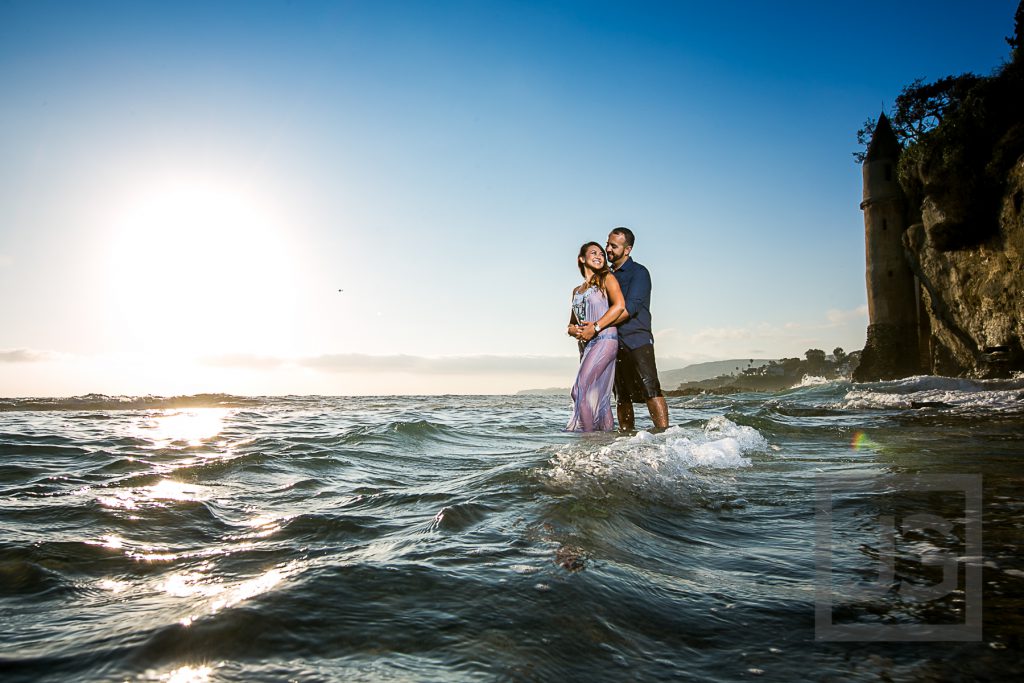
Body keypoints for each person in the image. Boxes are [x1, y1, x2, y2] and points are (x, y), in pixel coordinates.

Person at [578, 227, 669, 432]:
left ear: (627, 249)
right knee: (621, 396)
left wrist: (597, 326)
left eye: (613, 246)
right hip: (612, 342)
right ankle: (625, 439)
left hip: (637, 339)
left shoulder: (640, 272)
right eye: (607, 244)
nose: (607, 249)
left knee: (650, 388)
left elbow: (630, 308)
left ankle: (665, 435)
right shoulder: (605, 276)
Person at [565, 242, 625, 431]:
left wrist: (596, 327)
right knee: (599, 395)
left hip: (606, 340)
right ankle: (606, 440)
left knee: (579, 390)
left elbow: (620, 306)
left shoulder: (606, 278)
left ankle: (588, 440)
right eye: (593, 253)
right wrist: (573, 330)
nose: (599, 255)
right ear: (582, 259)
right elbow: (572, 323)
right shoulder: (577, 291)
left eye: (601, 253)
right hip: (588, 346)